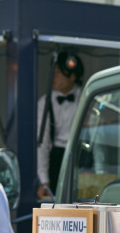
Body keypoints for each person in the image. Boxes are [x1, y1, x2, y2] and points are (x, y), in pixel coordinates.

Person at [36, 51, 84, 200]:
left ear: (72, 77)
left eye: (59, 72)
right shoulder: (45, 102)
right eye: (54, 71)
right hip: (56, 160)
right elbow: (42, 143)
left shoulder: (85, 98)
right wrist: (44, 180)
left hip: (81, 158)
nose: (54, 76)